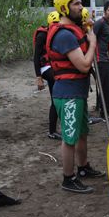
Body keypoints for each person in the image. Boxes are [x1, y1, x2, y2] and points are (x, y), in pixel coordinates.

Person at [45, 0, 104, 194]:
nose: (81, 7)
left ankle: (84, 167)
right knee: (70, 138)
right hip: (67, 93)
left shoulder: (74, 30)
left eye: (80, 3)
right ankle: (68, 178)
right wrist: (93, 43)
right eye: (76, 4)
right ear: (64, 8)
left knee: (81, 134)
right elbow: (84, 66)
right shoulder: (64, 35)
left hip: (77, 92)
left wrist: (88, 37)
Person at [34, 11, 61, 140]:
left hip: (54, 66)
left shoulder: (59, 33)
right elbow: (35, 57)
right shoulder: (42, 35)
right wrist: (38, 77)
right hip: (45, 68)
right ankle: (52, 131)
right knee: (56, 98)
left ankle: (54, 128)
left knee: (57, 98)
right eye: (54, 24)